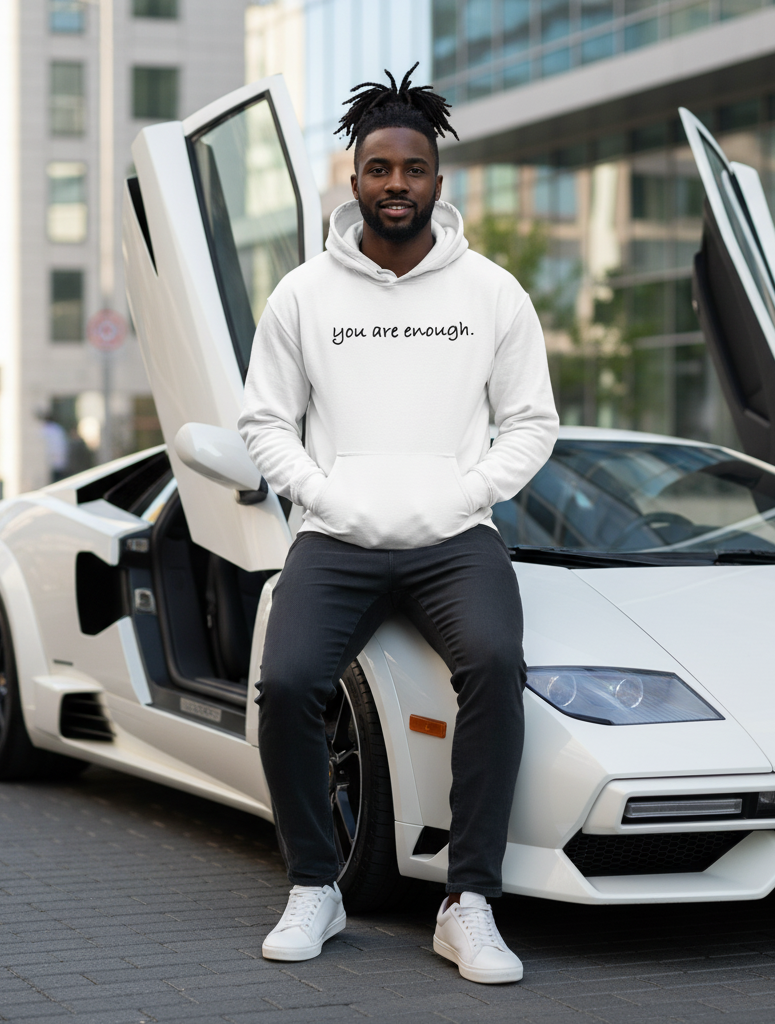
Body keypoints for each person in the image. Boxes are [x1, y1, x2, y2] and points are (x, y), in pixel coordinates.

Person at [238, 63, 559, 985]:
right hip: (334, 537)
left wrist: (465, 494)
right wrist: (325, 496)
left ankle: (468, 903)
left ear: (437, 181)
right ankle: (316, 885)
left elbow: (532, 422)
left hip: (456, 540)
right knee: (287, 684)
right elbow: (264, 421)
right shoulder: (304, 294)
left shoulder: (492, 292)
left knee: (494, 666)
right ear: (354, 178)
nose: (395, 184)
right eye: (379, 168)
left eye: (412, 169)